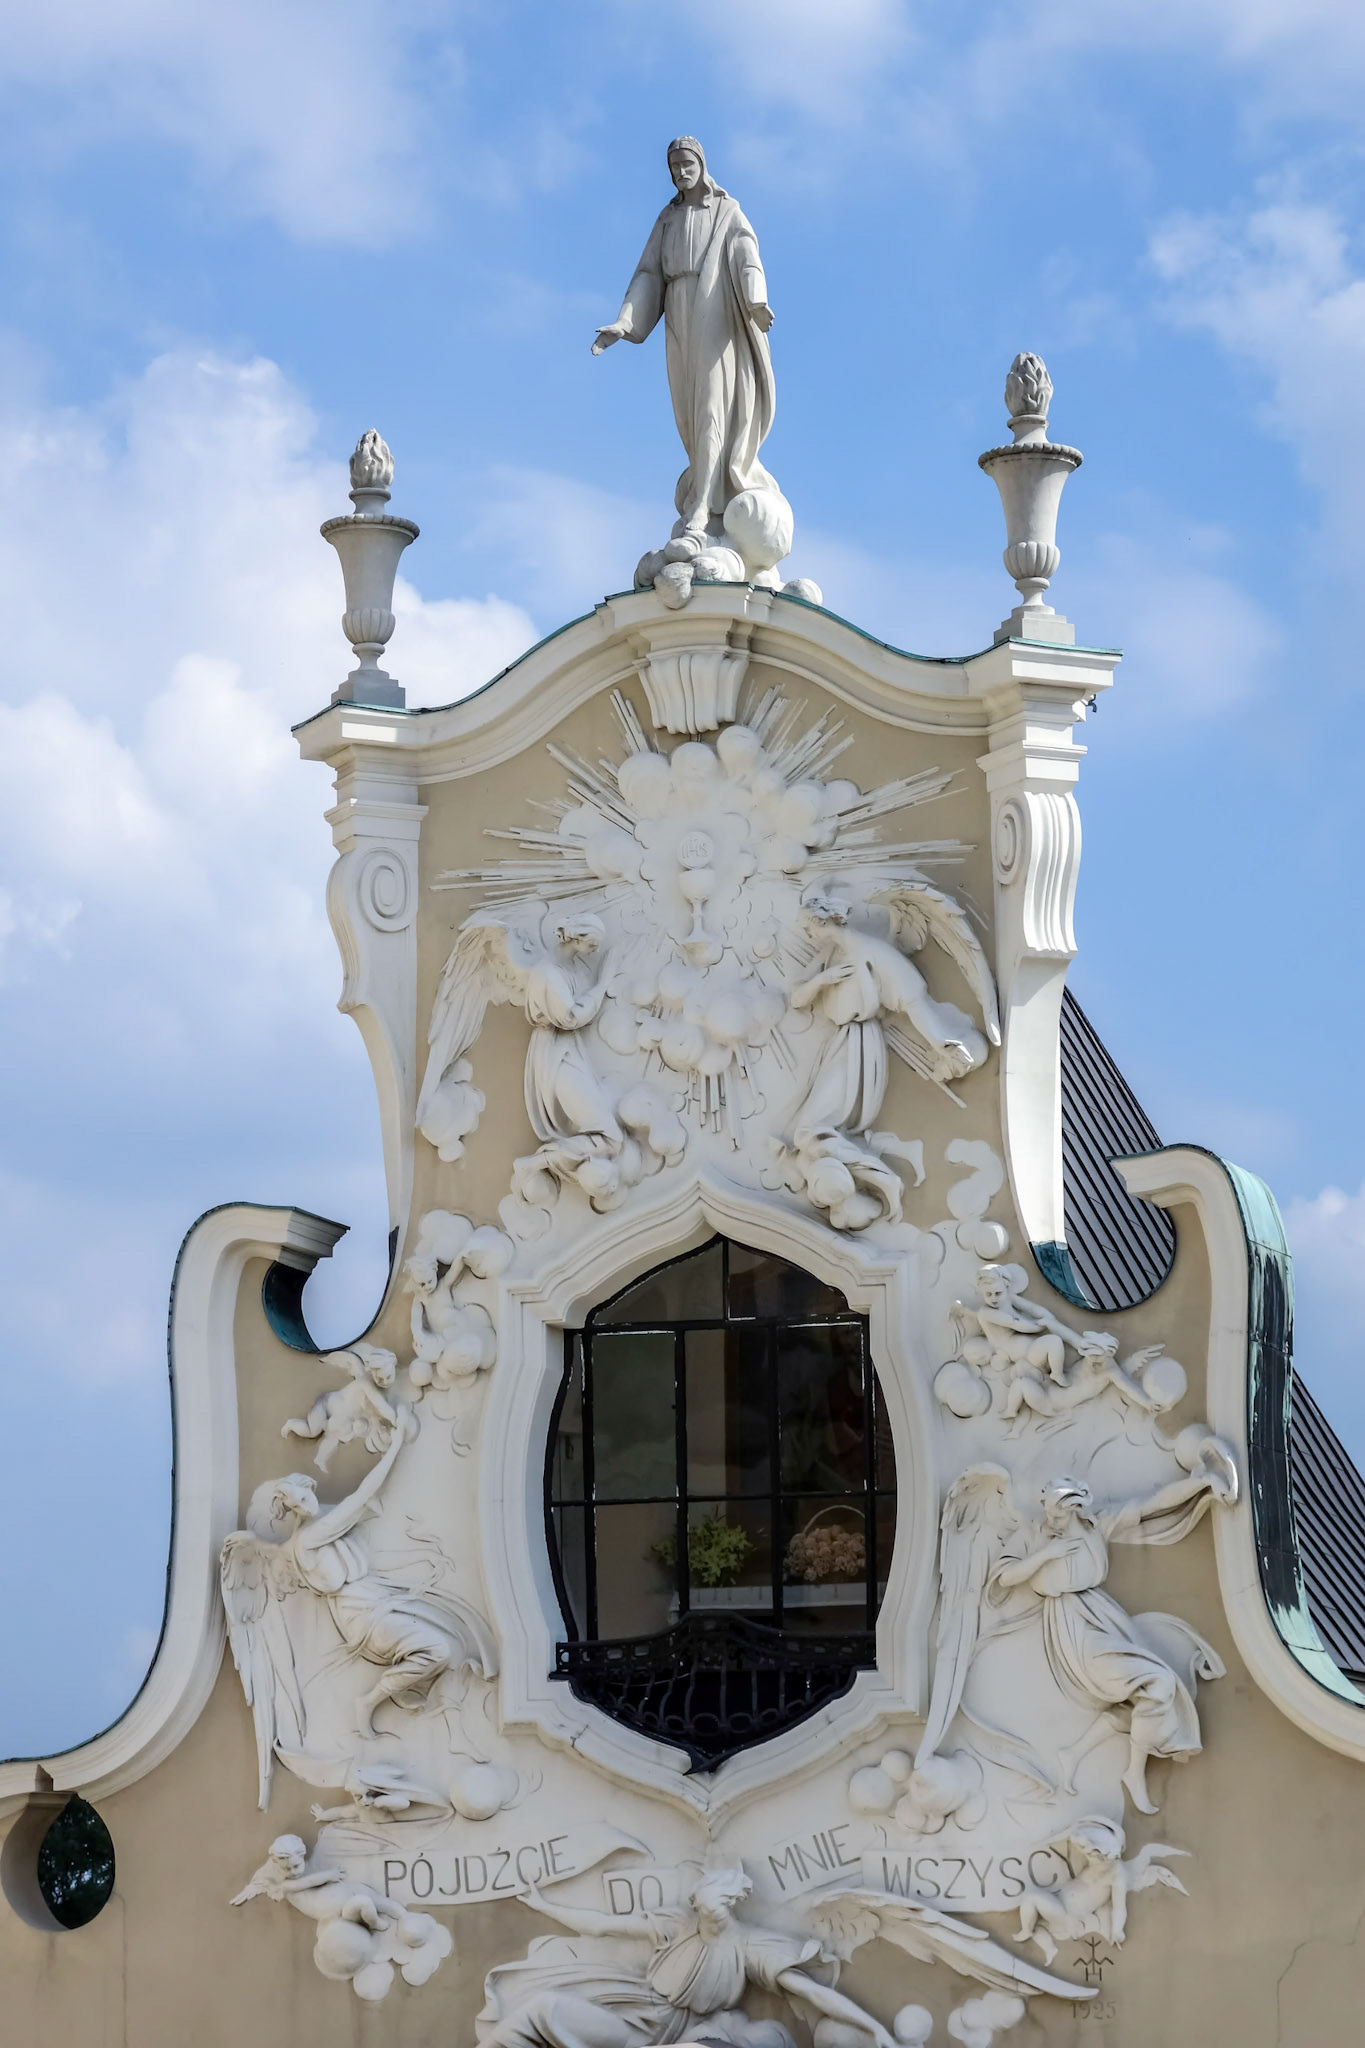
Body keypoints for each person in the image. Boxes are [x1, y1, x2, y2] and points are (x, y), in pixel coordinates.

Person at [990, 1465, 1233, 1812]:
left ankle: (1075, 1756)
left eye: (1057, 1510)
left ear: (1074, 1508)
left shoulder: (1096, 1525)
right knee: (1158, 1681)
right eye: (1049, 1509)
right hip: (1070, 1624)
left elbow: (1149, 1504)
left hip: (1103, 1616)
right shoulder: (1035, 1535)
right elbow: (1006, 1576)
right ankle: (1133, 1771)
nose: (1052, 1517)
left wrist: (1199, 1483)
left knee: (1142, 1695)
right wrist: (1046, 1555)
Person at [478, 1866, 902, 2048]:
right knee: (544, 2008)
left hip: (678, 2032)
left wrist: (870, 2028)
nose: (706, 1917)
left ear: (729, 1906)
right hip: (635, 2017)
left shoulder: (750, 1947)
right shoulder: (677, 1925)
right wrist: (546, 1907)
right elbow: (602, 1925)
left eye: (713, 1911)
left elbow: (812, 1993)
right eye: (701, 1910)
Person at [593, 138, 777, 544]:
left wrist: (755, 300)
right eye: (673, 166)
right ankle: (704, 490)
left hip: (715, 308)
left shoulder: (727, 211)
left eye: (686, 163)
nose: (680, 171)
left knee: (713, 406)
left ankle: (702, 506)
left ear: (701, 164)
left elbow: (746, 252)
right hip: (677, 309)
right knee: (690, 417)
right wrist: (625, 322)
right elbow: (648, 274)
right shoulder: (667, 218)